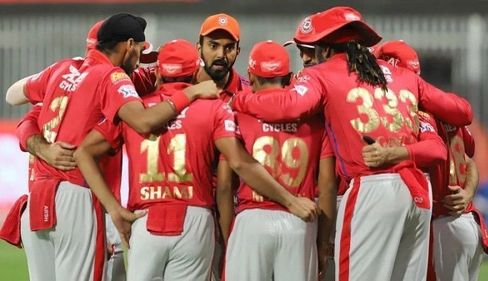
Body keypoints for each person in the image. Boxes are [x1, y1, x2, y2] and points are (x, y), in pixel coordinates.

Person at [230, 6, 472, 281]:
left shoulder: (321, 74)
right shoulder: (403, 76)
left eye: (312, 49)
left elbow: (288, 106)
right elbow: (462, 111)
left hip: (372, 188)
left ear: (325, 47)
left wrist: (239, 98)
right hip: (418, 192)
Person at [74, 39, 320, 281]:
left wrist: (114, 210)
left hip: (145, 218)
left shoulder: (135, 109)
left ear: (158, 71)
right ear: (194, 72)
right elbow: (238, 163)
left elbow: (83, 152)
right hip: (195, 218)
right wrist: (289, 202)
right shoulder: (214, 108)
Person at [3, 13, 218, 281]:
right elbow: (142, 121)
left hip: (39, 195)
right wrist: (190, 92)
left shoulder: (61, 69)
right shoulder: (113, 78)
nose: (140, 62)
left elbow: (13, 95)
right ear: (128, 45)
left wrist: (42, 148)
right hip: (76, 192)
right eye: (140, 51)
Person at [374, 39, 488, 281]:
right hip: (463, 222)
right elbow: (468, 160)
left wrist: (389, 154)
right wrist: (468, 192)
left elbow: (437, 151)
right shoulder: (446, 108)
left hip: (442, 226)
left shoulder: (416, 112)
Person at [225, 40, 336, 281]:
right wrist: (323, 242)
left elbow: (225, 183)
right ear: (287, 77)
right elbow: (327, 186)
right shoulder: (315, 119)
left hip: (251, 220)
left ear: (250, 76)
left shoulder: (237, 112)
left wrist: (227, 237)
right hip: (300, 223)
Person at [196, 13, 249, 102]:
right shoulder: (183, 90)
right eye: (213, 46)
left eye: (229, 48)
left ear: (237, 51)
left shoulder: (249, 93)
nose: (221, 55)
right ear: (199, 48)